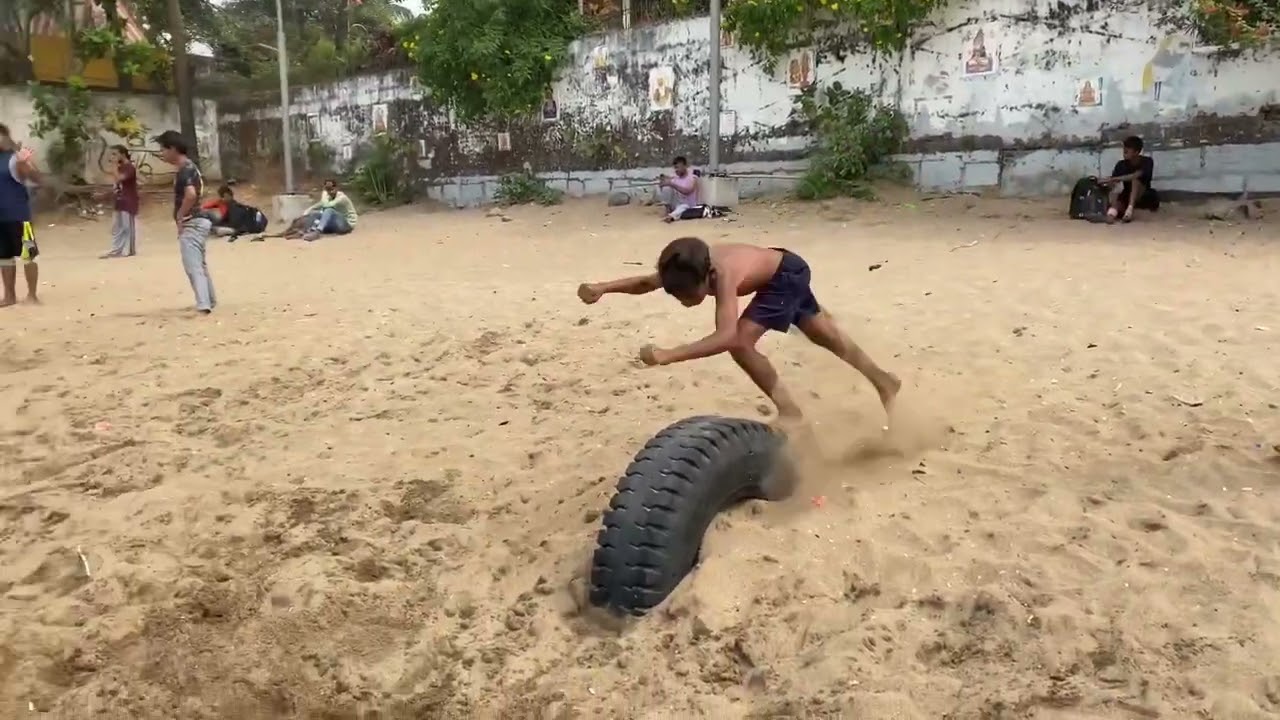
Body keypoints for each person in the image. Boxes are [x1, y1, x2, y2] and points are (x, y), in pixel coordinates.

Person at [577, 238, 900, 420]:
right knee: (824, 335)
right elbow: (645, 282)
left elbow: (725, 336)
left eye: (690, 295)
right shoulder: (685, 268)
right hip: (785, 267)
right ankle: (883, 381)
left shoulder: (724, 274)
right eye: (677, 296)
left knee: (741, 342)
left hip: (784, 275)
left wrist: (668, 355)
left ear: (707, 278)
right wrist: (602, 288)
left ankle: (790, 411)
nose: (685, 301)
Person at [156, 130, 216, 315]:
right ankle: (209, 299)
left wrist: (181, 215)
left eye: (163, 150)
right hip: (199, 220)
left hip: (193, 222)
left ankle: (203, 304)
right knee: (200, 264)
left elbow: (190, 195)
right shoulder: (191, 168)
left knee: (193, 265)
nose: (162, 154)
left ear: (173, 149)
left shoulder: (186, 170)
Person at [0, 122, 41, 305]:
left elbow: (35, 179)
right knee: (4, 258)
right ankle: (10, 296)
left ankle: (32, 295)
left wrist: (25, 164)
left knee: (28, 255)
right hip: (1, 219)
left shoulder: (16, 158)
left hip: (20, 216)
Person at [1100, 135, 1159, 223]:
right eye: (1124, 149)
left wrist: (1113, 179)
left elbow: (1136, 175)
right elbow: (1114, 183)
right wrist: (1106, 183)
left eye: (1128, 150)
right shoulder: (1121, 164)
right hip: (1127, 194)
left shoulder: (1147, 161)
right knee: (1116, 198)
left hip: (1144, 195)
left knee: (1135, 181)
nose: (1124, 151)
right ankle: (1112, 215)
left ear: (1136, 152)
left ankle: (1129, 210)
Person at [102, 144, 139, 258]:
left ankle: (129, 250)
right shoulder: (120, 168)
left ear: (122, 154)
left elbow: (120, 178)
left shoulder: (129, 168)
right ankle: (116, 250)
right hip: (119, 201)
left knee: (127, 227)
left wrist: (114, 166)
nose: (112, 157)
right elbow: (117, 184)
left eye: (115, 154)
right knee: (117, 227)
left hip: (128, 201)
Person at [657, 156, 699, 223]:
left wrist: (671, 184)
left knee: (683, 208)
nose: (676, 170)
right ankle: (667, 209)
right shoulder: (675, 177)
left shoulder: (692, 178)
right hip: (676, 203)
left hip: (688, 205)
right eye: (675, 168)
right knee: (666, 187)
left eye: (678, 167)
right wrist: (663, 183)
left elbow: (687, 191)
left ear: (685, 166)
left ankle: (671, 216)